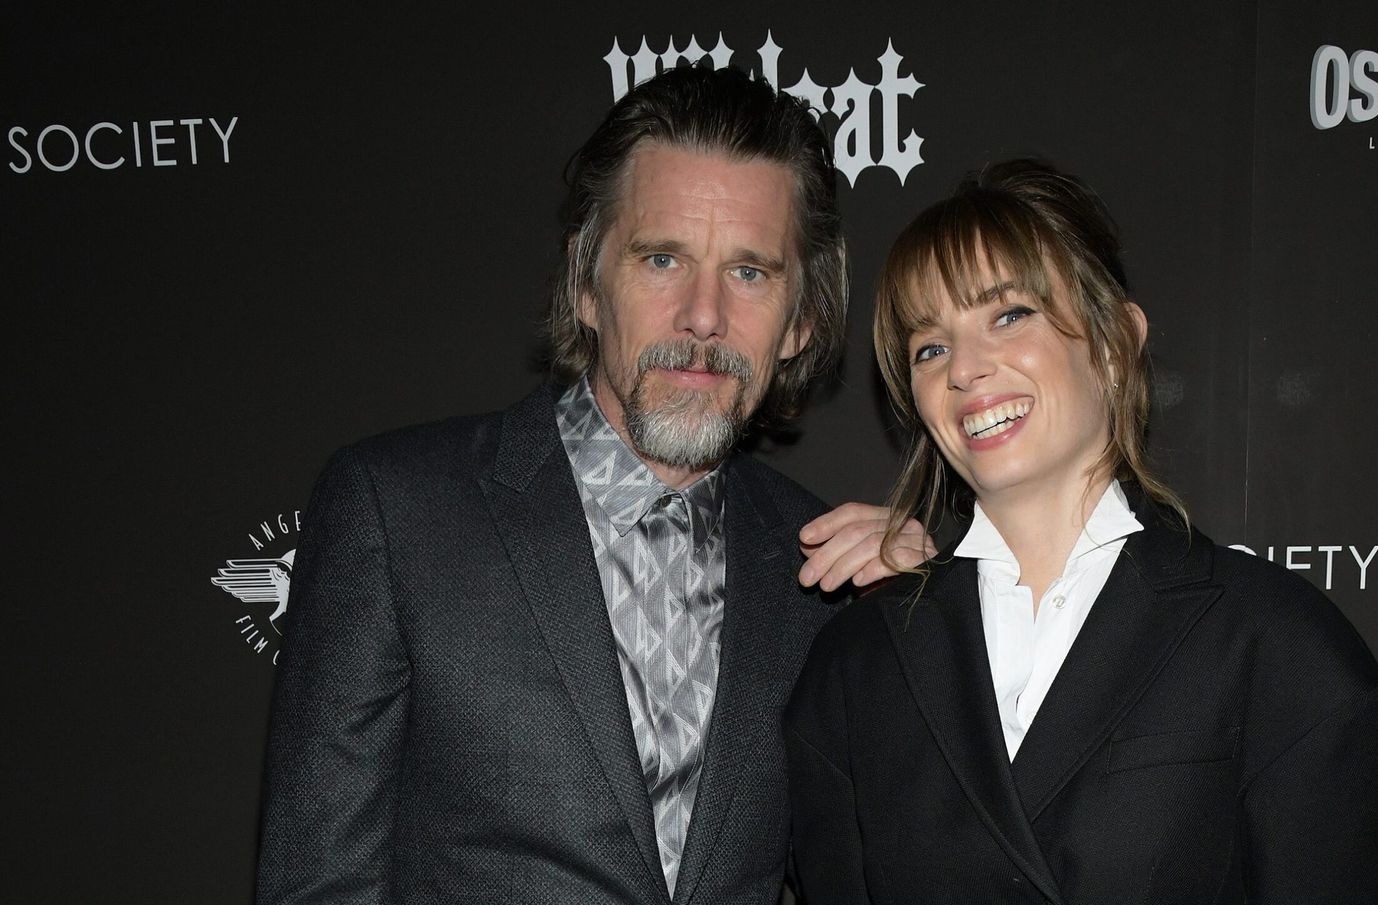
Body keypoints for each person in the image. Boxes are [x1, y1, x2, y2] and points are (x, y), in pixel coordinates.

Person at [256, 64, 929, 904]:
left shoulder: (822, 573)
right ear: (585, 284)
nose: (704, 314)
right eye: (662, 258)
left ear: (801, 322)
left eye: (750, 272)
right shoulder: (396, 513)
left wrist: (929, 630)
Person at [785, 160, 1378, 904]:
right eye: (930, 347)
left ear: (1113, 342)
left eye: (1009, 315)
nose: (965, 369)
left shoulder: (1284, 649)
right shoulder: (856, 667)